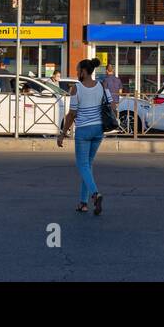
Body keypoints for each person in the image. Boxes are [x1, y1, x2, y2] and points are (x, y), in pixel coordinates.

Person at [57, 58, 110, 215]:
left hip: (84, 131)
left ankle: (95, 194)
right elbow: (112, 104)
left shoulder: (76, 89)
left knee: (82, 165)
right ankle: (83, 203)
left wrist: (63, 133)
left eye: (77, 70)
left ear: (84, 72)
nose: (76, 73)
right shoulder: (101, 85)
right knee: (88, 165)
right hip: (99, 130)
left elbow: (72, 114)